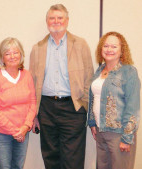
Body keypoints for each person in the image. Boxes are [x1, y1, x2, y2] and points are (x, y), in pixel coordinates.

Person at [29, 4, 94, 169]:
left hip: (73, 107)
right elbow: (32, 84)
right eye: (52, 18)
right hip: (46, 107)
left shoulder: (80, 44)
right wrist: (34, 113)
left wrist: (84, 106)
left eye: (60, 18)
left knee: (73, 159)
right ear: (47, 21)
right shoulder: (37, 48)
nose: (56, 21)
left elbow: (89, 77)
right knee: (50, 156)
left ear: (67, 20)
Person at [88, 31, 140, 169]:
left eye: (114, 46)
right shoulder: (99, 71)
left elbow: (133, 107)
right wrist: (92, 122)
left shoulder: (129, 72)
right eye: (106, 46)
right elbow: (94, 98)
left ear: (122, 50)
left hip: (119, 134)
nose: (109, 49)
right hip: (100, 131)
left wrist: (127, 138)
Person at [0, 37, 36, 169]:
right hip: (0, 133)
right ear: (1, 58)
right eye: (7, 53)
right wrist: (14, 130)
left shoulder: (27, 75)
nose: (12, 56)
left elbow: (32, 103)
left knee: (18, 166)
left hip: (22, 131)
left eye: (16, 52)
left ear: (21, 55)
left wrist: (25, 127)